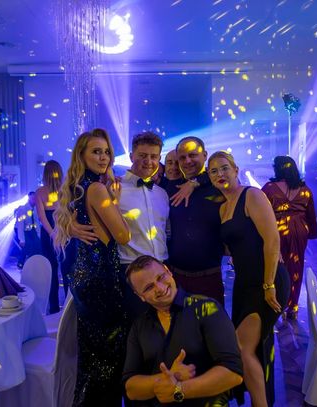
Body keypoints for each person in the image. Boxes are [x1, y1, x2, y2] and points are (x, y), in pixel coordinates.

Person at [53, 128, 130, 406]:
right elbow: (123, 235)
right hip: (102, 281)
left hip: (83, 278)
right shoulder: (97, 190)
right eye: (96, 151)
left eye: (107, 152)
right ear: (82, 155)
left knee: (92, 359)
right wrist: (115, 201)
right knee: (108, 361)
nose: (104, 157)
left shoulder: (77, 189)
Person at [208, 151, 289, 406]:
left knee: (243, 348)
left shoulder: (251, 195)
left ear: (236, 170)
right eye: (213, 171)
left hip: (267, 281)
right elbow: (233, 246)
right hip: (243, 284)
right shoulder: (223, 208)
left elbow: (272, 240)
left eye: (224, 168)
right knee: (249, 348)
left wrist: (269, 284)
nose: (220, 174)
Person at [123, 255, 243, 406]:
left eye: (161, 277)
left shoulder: (207, 308)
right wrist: (171, 376)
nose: (159, 288)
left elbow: (233, 373)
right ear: (140, 296)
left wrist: (178, 390)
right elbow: (130, 388)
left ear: (168, 271)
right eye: (148, 287)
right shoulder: (139, 326)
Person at [164, 137, 225, 304]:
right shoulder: (171, 187)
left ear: (205, 155)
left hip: (209, 277)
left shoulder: (219, 185)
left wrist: (196, 182)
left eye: (192, 155)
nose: (187, 161)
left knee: (212, 320)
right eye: (182, 157)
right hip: (176, 278)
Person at [118, 131, 170, 320]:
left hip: (163, 270)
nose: (148, 161)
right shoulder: (115, 189)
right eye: (142, 155)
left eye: (154, 156)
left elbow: (166, 232)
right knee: (137, 329)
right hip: (132, 271)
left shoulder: (162, 194)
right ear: (131, 156)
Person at [262, 156, 317, 320]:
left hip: (277, 229)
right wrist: (312, 233)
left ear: (277, 168)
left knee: (275, 265)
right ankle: (292, 306)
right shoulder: (305, 189)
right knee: (296, 267)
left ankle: (277, 302)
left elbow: (262, 213)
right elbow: (311, 215)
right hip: (299, 230)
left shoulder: (269, 188)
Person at [35, 160, 64, 314]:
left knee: (51, 270)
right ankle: (69, 308)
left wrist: (52, 233)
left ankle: (53, 308)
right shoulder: (65, 190)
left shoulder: (40, 192)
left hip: (48, 233)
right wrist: (59, 232)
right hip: (63, 230)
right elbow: (65, 213)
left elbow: (42, 217)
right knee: (66, 269)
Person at [15, 191, 41, 268]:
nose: (35, 200)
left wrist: (38, 235)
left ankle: (34, 263)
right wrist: (22, 240)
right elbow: (20, 225)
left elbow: (37, 222)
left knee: (37, 244)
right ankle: (21, 263)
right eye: (33, 198)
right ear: (29, 199)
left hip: (31, 229)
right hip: (21, 229)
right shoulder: (22, 209)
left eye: (35, 199)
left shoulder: (36, 209)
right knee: (27, 244)